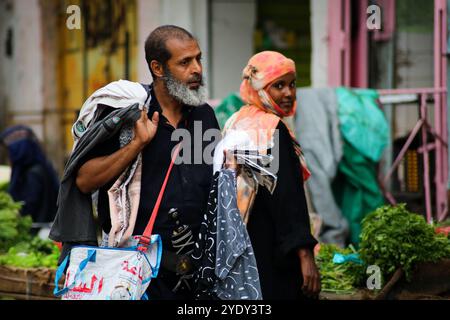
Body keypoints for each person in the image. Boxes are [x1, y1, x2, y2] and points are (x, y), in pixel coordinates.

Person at [68, 25, 220, 300]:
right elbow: (84, 180)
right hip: (140, 275)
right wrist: (137, 144)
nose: (196, 69)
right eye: (185, 62)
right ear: (158, 68)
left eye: (198, 59)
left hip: (200, 273)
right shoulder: (129, 116)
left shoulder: (204, 116)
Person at [222, 51, 321, 299]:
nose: (288, 93)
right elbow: (286, 197)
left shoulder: (237, 121)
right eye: (278, 86)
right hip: (274, 250)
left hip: (242, 247)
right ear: (260, 88)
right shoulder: (272, 129)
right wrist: (305, 253)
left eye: (292, 84)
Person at [0, 125, 59, 226]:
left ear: (19, 151)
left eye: (11, 152)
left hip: (38, 229)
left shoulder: (33, 174)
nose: (10, 157)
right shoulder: (42, 168)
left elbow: (28, 207)